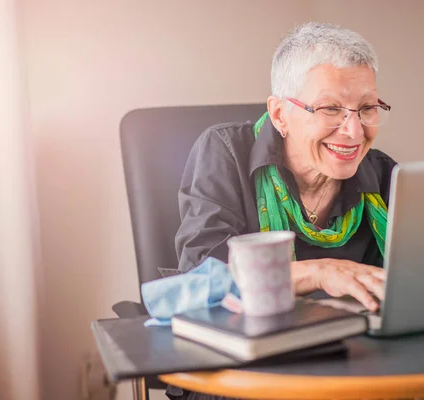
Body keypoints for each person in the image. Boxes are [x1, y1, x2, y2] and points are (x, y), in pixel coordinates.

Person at [169, 21, 396, 400]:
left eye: (367, 108)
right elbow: (201, 281)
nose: (354, 131)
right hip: (241, 375)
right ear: (279, 115)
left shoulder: (384, 173)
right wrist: (320, 272)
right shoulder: (224, 151)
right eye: (330, 108)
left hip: (353, 370)